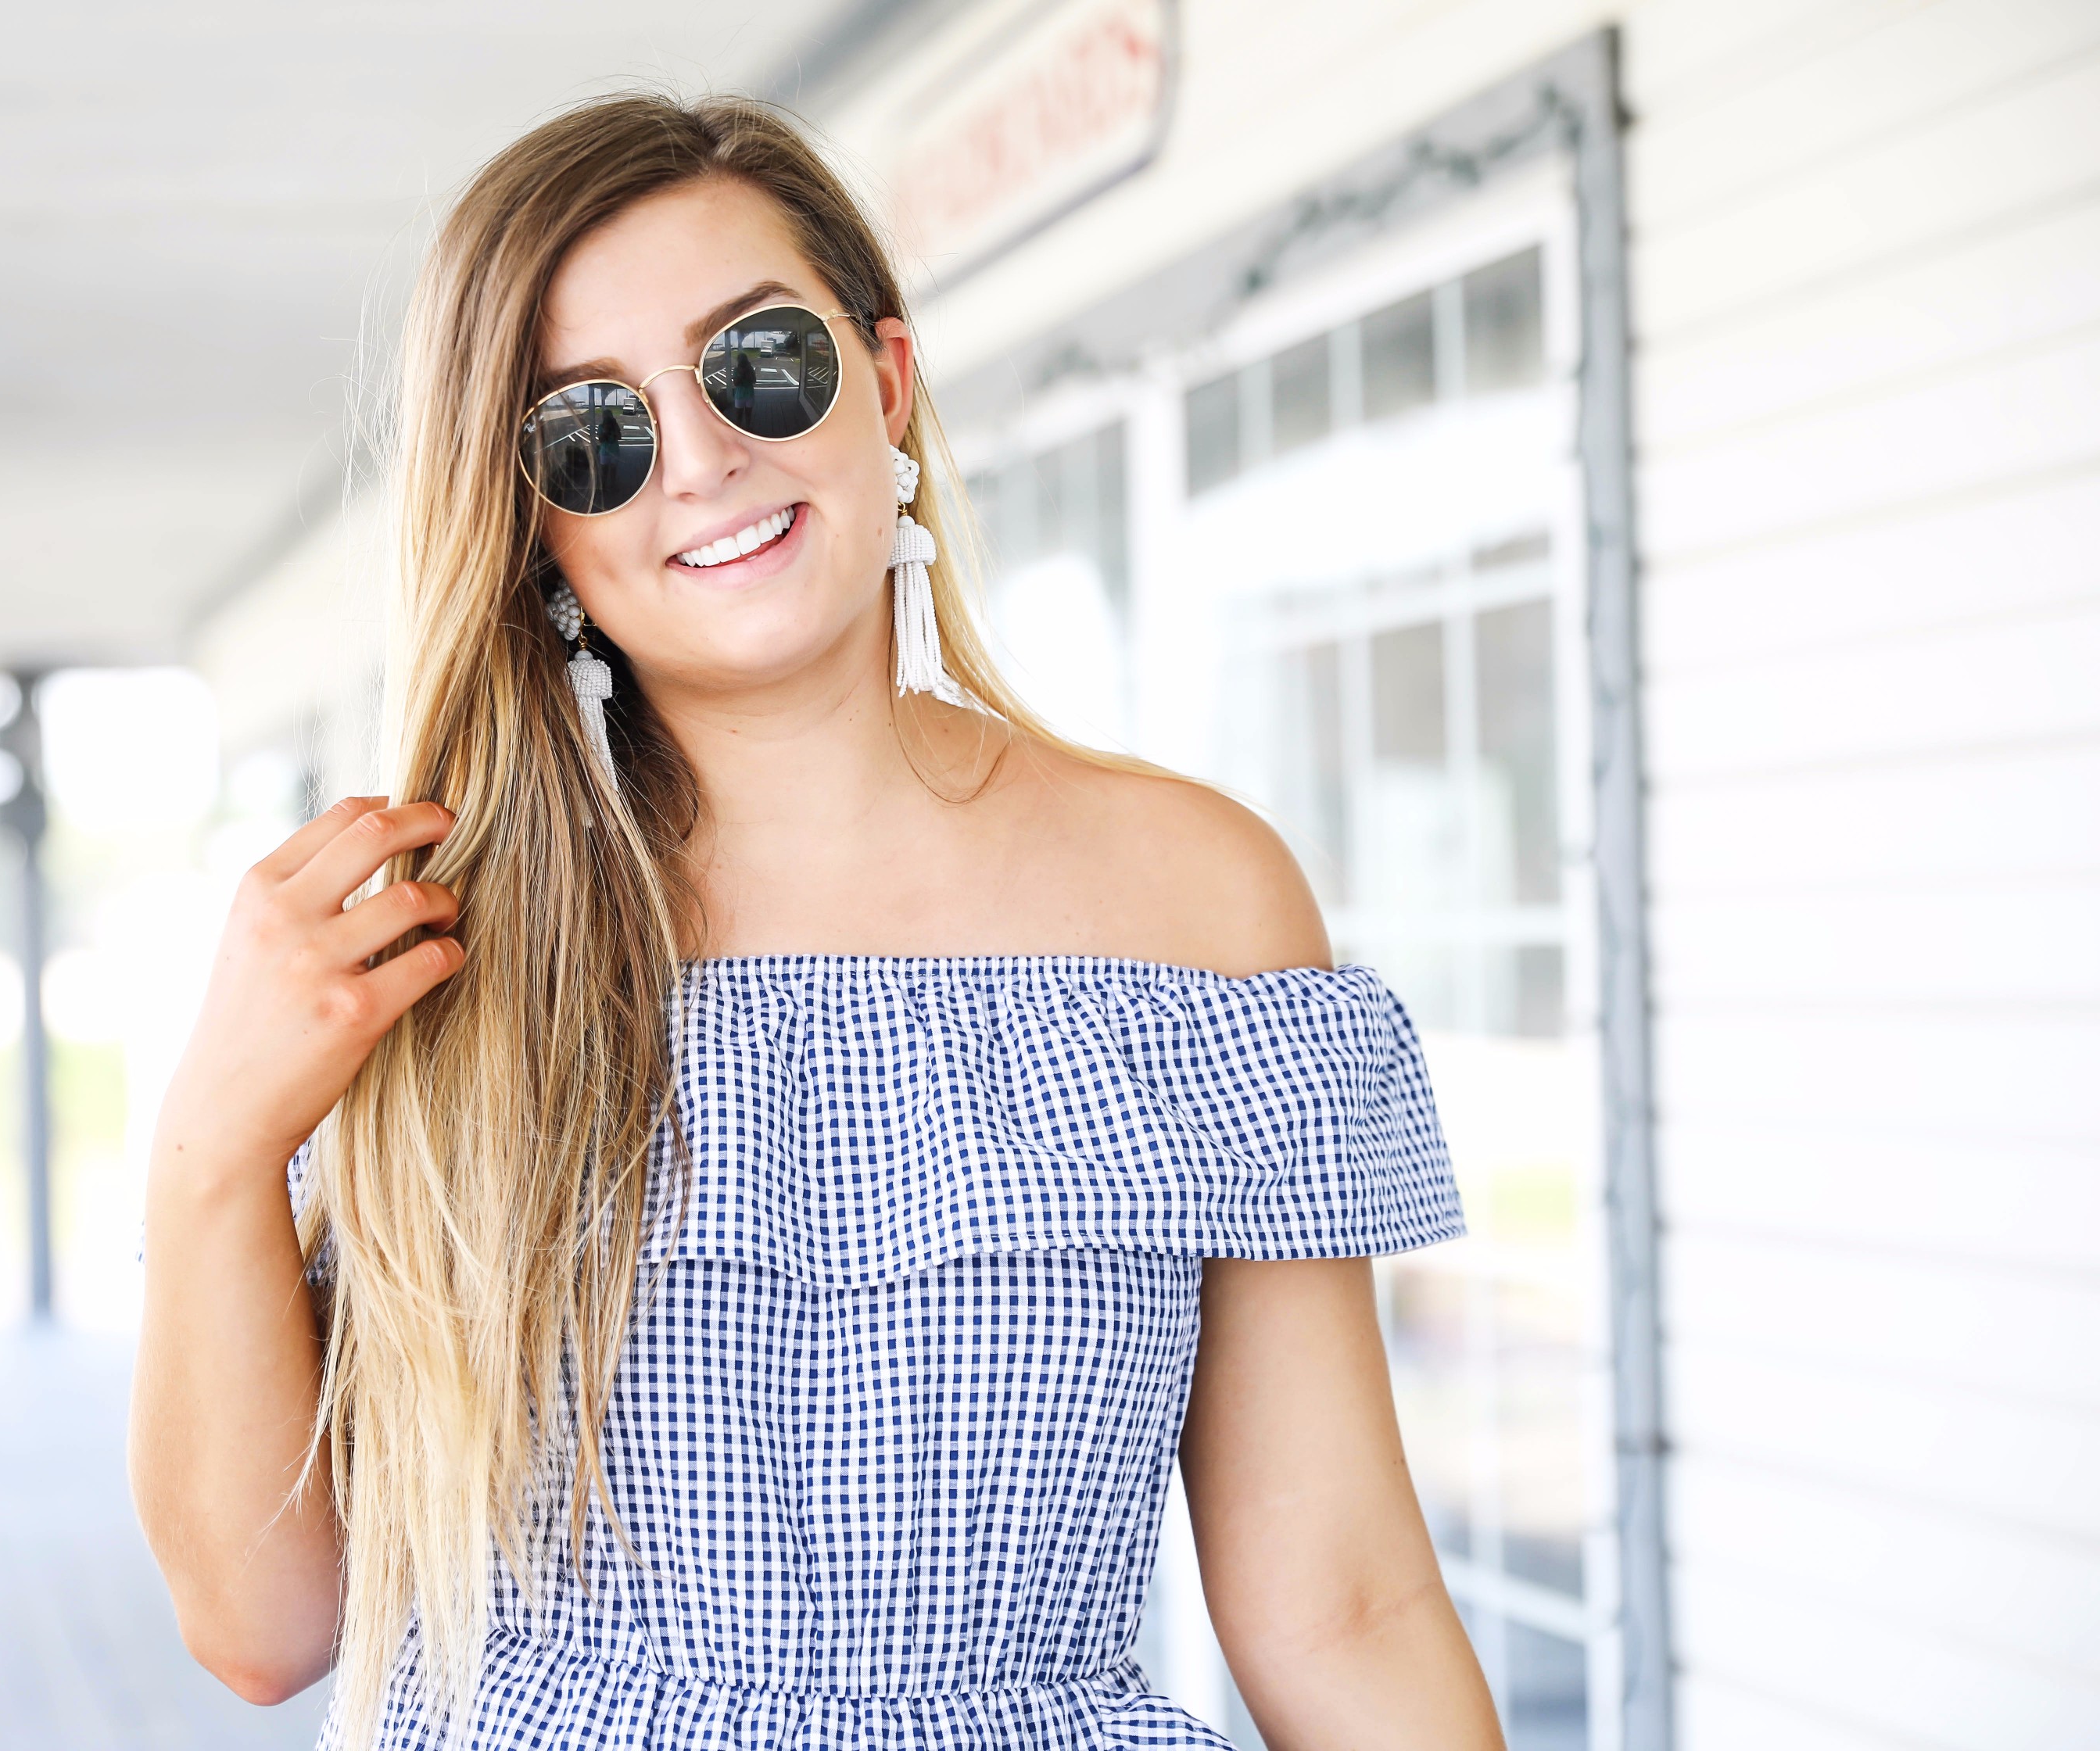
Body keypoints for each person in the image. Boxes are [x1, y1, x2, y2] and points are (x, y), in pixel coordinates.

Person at [128, 92, 1502, 1751]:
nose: (701, 459)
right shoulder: (429, 940)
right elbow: (263, 1627)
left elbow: (1345, 1605)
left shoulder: (1196, 904)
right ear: (539, 521)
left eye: (755, 364)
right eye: (595, 432)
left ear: (889, 383)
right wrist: (214, 1145)